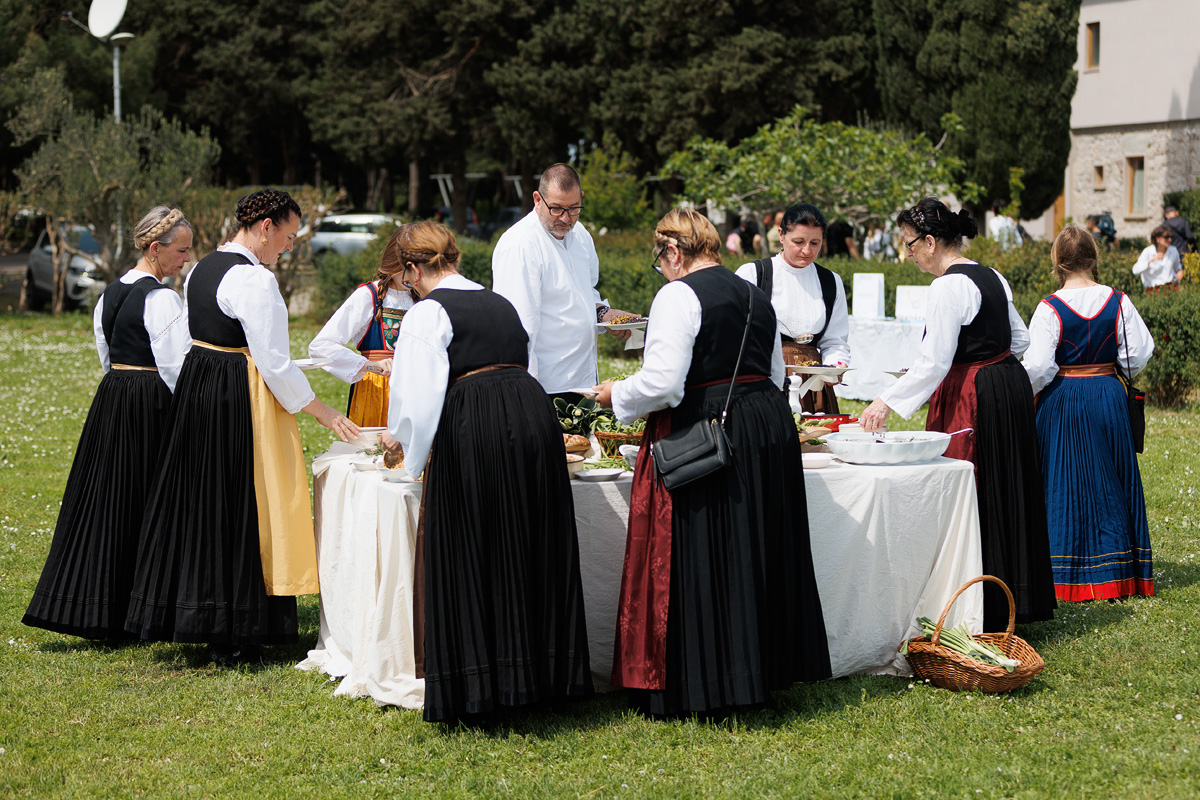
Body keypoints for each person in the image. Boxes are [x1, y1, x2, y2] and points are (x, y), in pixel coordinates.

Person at [594, 208, 830, 718]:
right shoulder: (754, 293)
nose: (664, 271)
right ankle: (755, 672)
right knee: (753, 549)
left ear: (673, 252)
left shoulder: (678, 295)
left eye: (662, 262)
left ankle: (707, 681)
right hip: (765, 422)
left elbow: (664, 384)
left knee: (707, 549)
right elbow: (772, 372)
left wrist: (616, 393)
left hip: (708, 426)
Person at [124, 188, 359, 665]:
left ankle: (208, 619)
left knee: (209, 502)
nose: (290, 247)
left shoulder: (201, 268)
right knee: (247, 502)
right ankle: (240, 626)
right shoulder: (255, 281)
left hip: (201, 387)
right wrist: (323, 411)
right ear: (266, 226)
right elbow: (272, 361)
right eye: (289, 236)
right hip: (237, 393)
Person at [384, 221, 593, 724]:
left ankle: (483, 685)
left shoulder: (428, 312)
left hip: (475, 422)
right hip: (530, 415)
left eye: (405, 275)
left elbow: (416, 399)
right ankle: (542, 678)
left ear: (413, 269)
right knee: (528, 542)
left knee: (476, 544)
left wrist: (411, 458)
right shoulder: (499, 302)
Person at [859, 197, 1056, 631]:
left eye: (910, 245)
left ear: (930, 242)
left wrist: (885, 401)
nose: (908, 254)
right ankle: (1013, 595)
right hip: (1007, 386)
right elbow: (1020, 341)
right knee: (1008, 485)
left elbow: (934, 362)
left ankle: (974, 600)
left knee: (971, 487)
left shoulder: (947, 286)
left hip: (975, 395)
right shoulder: (993, 276)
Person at [23, 207, 194, 640]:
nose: (186, 260)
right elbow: (175, 367)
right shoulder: (162, 298)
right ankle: (142, 609)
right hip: (149, 400)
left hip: (114, 396)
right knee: (149, 499)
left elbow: (106, 353)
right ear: (155, 250)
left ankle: (103, 608)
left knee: (111, 499)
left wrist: (122, 387)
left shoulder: (109, 294)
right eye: (181, 250)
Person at [1023, 226, 1156, 601]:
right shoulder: (1119, 301)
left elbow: (1037, 368)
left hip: (1063, 396)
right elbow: (1138, 354)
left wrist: (1030, 396)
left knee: (1062, 482)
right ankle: (1119, 574)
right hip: (1108, 395)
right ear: (1094, 258)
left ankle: (1065, 576)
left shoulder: (1050, 307)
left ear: (1058, 262)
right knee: (1112, 480)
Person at [491, 163, 631, 403]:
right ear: (537, 199)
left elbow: (585, 293)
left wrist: (605, 313)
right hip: (543, 388)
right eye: (556, 209)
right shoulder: (519, 245)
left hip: (585, 381)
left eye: (574, 208)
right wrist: (526, 399)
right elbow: (517, 329)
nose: (566, 218)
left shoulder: (582, 235)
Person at [734, 203, 850, 414]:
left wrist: (835, 366)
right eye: (799, 242)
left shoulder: (830, 281)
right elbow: (735, 334)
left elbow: (835, 340)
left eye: (815, 243)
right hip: (765, 379)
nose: (807, 250)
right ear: (781, 234)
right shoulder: (754, 274)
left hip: (814, 386)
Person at [308, 228, 415, 426]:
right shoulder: (368, 296)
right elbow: (321, 345)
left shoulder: (425, 297)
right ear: (393, 261)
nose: (414, 274)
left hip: (416, 391)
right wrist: (369, 365)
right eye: (408, 266)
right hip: (375, 393)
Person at [1132, 224, 1183, 290]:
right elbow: (1135, 270)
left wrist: (1180, 270)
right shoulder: (1148, 251)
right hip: (1152, 289)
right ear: (1158, 239)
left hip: (1170, 287)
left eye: (1171, 237)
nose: (1169, 239)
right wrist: (1150, 261)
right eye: (1166, 237)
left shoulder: (1173, 250)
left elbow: (1177, 266)